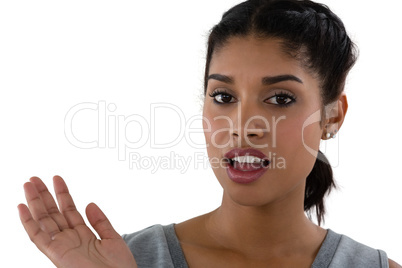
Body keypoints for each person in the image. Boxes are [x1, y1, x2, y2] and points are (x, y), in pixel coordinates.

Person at [17, 0, 401, 267]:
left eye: (281, 98)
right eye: (223, 96)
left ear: (332, 117)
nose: (243, 124)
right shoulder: (125, 259)